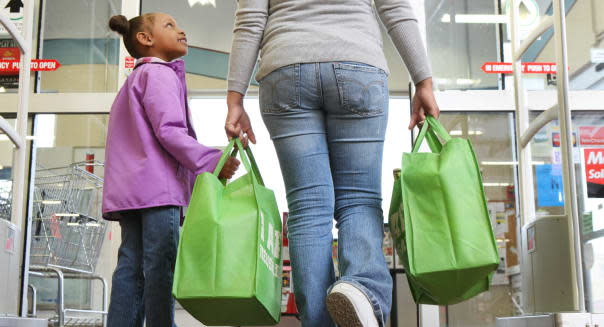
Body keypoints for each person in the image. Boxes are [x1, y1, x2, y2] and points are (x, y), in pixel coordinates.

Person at [225, 0, 440, 326]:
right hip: (357, 62)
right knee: (359, 199)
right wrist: (423, 80)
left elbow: (250, 20)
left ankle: (319, 321)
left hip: (285, 66)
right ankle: (363, 292)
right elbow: (395, 7)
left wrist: (235, 98)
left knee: (308, 207)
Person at [103, 13, 239, 327]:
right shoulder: (160, 75)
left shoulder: (134, 81)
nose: (181, 30)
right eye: (169, 26)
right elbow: (170, 131)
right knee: (161, 267)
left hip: (131, 194)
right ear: (145, 39)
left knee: (131, 267)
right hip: (157, 193)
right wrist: (213, 162)